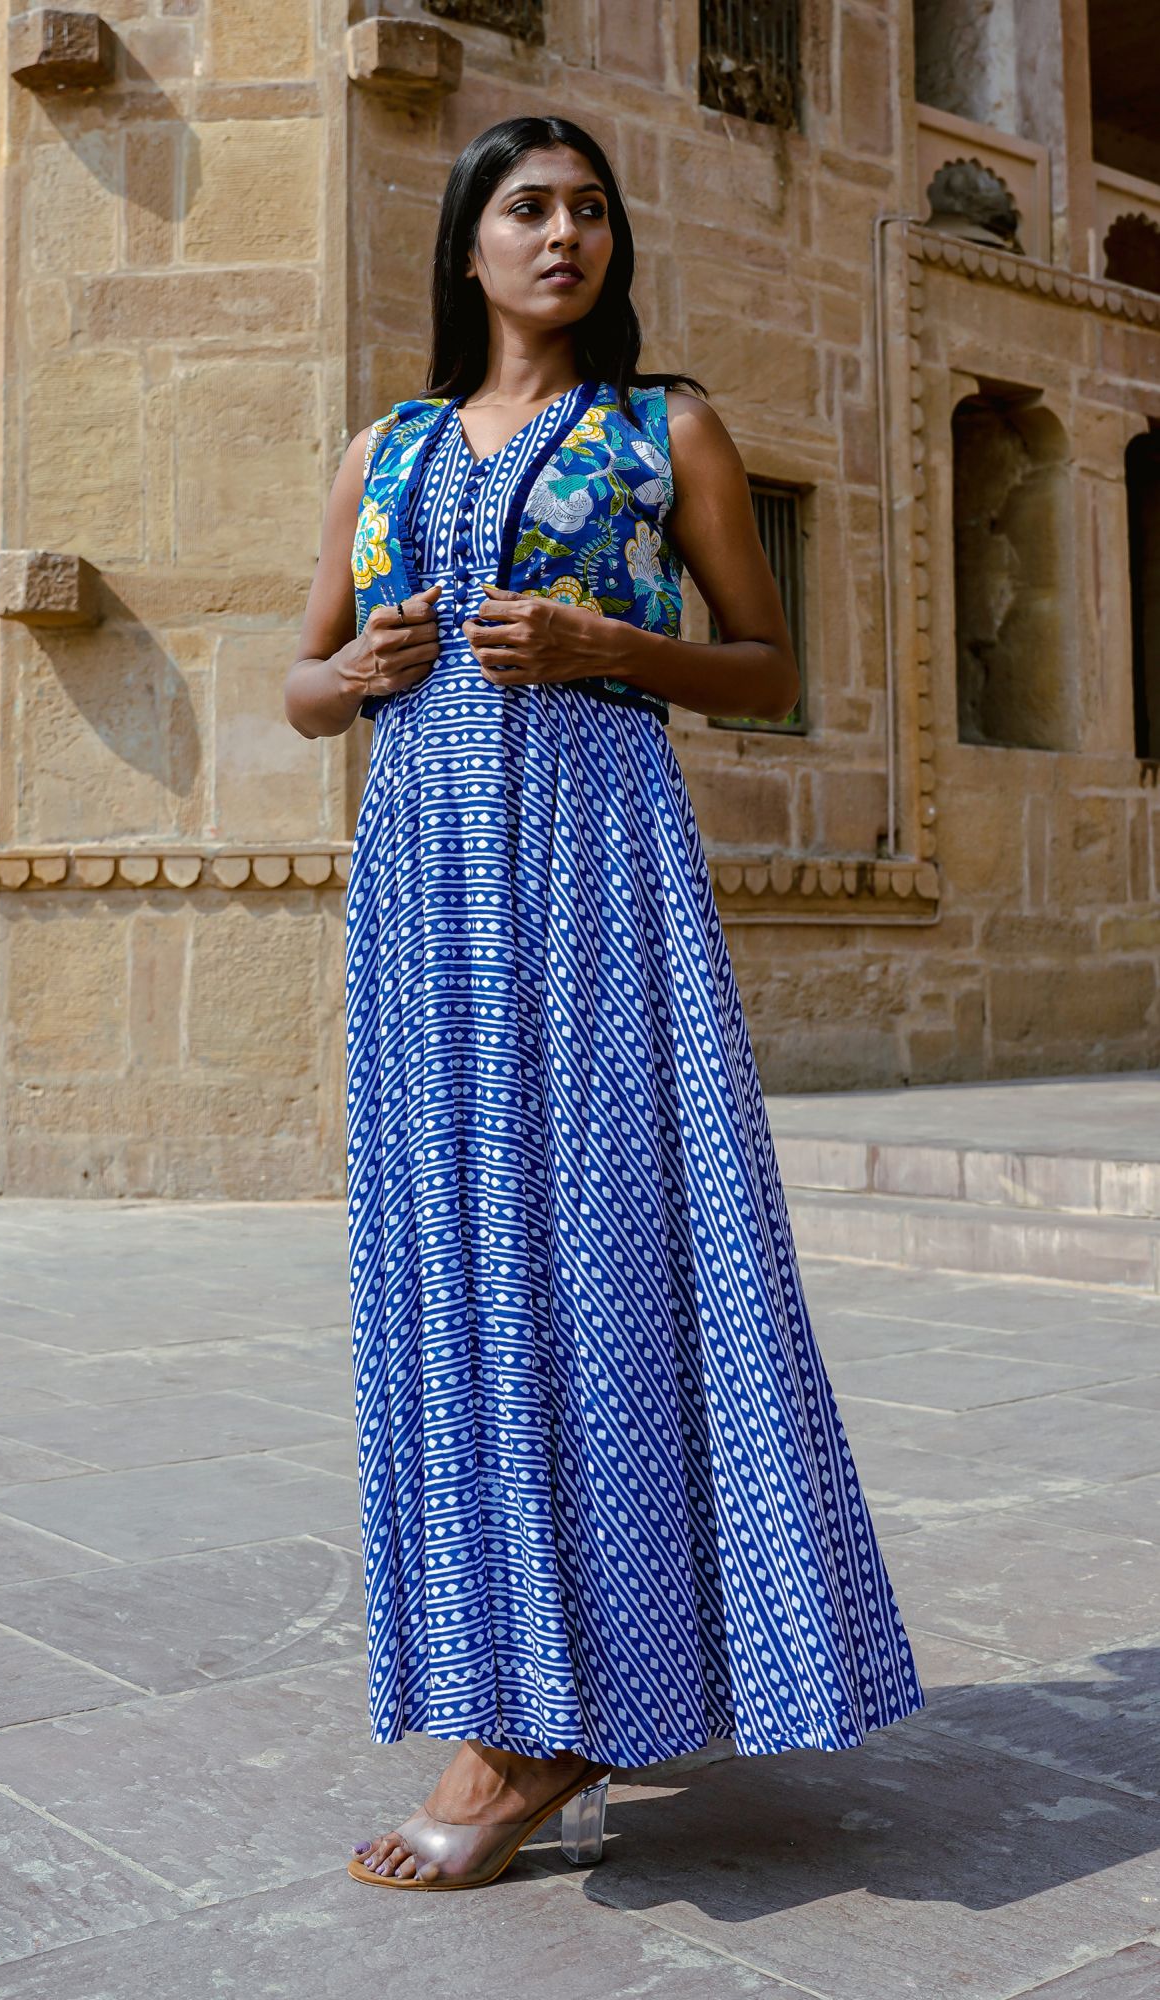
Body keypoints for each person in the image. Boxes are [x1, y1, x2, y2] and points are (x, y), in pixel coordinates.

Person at [286, 113, 925, 1893]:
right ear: (467, 246)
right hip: (423, 897)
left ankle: (571, 1713)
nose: (562, 236)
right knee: (455, 1266)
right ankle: (512, 1684)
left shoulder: (666, 430)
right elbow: (297, 682)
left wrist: (605, 649)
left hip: (597, 877)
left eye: (588, 210)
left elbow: (770, 668)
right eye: (524, 209)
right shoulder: (387, 446)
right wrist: (351, 668)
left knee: (611, 1249)